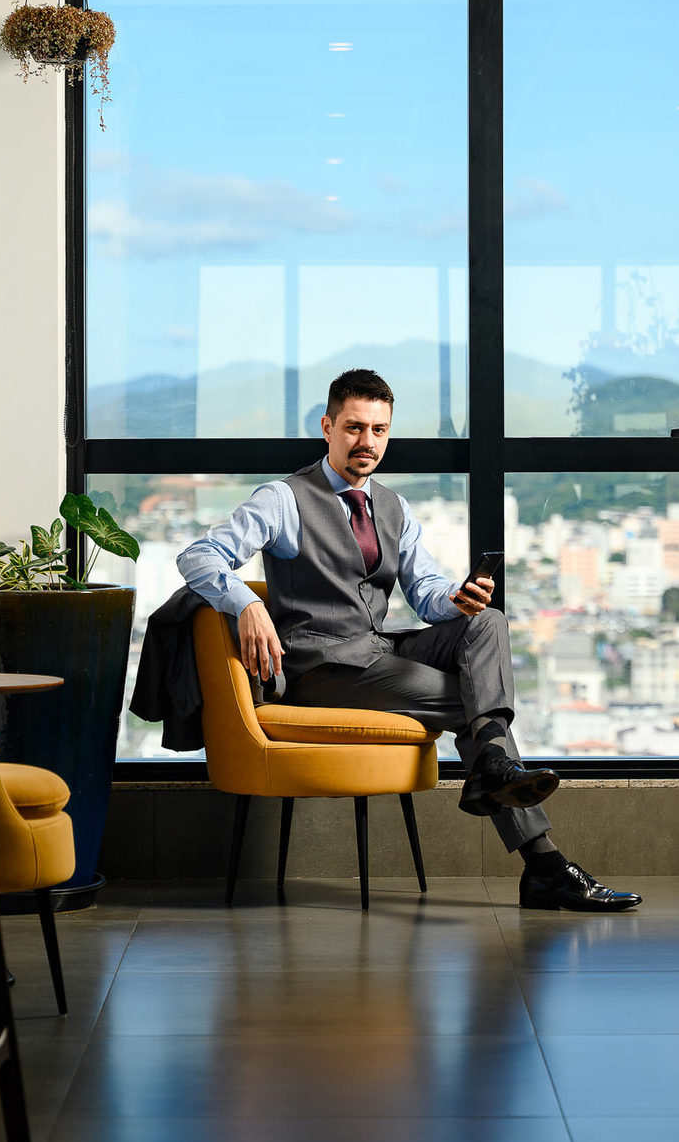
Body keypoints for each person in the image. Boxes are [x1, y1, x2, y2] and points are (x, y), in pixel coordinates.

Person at [177, 367, 642, 912]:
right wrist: (248, 603)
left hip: (376, 652)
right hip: (322, 669)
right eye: (353, 427)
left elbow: (425, 593)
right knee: (479, 701)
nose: (366, 442)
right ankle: (541, 858)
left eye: (378, 430)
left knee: (486, 621)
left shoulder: (394, 508)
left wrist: (458, 599)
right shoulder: (283, 499)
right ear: (327, 428)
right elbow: (197, 556)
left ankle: (506, 794)